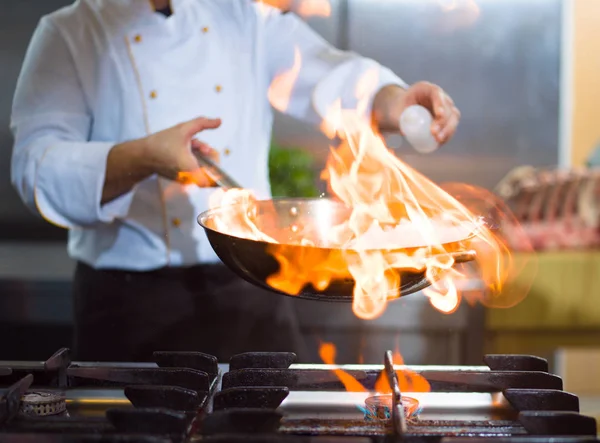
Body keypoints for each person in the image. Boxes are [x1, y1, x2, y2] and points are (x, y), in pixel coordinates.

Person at [10, 0, 461, 363]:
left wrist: (397, 101)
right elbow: (37, 167)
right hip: (128, 305)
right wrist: (141, 157)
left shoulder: (243, 15)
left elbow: (333, 75)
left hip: (250, 287)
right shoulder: (68, 32)